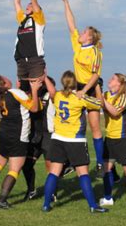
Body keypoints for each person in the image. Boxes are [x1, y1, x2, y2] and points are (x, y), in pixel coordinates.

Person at [42, 71, 108, 213]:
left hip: (58, 139)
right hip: (75, 140)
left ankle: (46, 204)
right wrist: (96, 87)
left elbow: (51, 92)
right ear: (76, 83)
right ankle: (92, 205)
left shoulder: (58, 96)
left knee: (53, 172)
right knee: (83, 173)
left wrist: (45, 76)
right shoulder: (80, 98)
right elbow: (100, 104)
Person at [0, 75, 41, 209]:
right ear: (4, 83)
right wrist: (35, 89)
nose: (8, 77)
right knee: (14, 169)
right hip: (17, 135)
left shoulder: (1, 97)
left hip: (3, 133)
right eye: (5, 78)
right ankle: (2, 200)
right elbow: (34, 108)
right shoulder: (15, 93)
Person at [62, 0, 105, 178]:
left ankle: (101, 163)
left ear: (90, 37)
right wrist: (65, 2)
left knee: (94, 126)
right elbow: (71, 25)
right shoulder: (78, 45)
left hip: (92, 87)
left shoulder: (95, 52)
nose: (80, 33)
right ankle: (73, 161)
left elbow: (95, 76)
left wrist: (84, 91)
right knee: (75, 124)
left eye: (84, 32)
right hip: (77, 87)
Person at [100, 73, 126, 206]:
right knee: (106, 168)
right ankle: (108, 198)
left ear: (120, 83)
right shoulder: (105, 94)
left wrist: (101, 99)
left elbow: (115, 112)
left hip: (124, 138)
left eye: (113, 78)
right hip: (110, 137)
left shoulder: (125, 95)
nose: (110, 79)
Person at [20, 77, 56, 201]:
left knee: (50, 166)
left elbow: (53, 92)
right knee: (26, 165)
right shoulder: (30, 95)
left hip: (48, 135)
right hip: (34, 136)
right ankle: (31, 190)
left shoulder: (51, 96)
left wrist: (44, 78)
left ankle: (52, 192)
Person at [14, 0, 46, 81]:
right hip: (21, 60)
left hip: (34, 60)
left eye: (30, 5)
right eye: (27, 5)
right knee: (24, 92)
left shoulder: (38, 19)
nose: (28, 5)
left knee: (36, 88)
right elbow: (17, 3)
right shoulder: (23, 19)